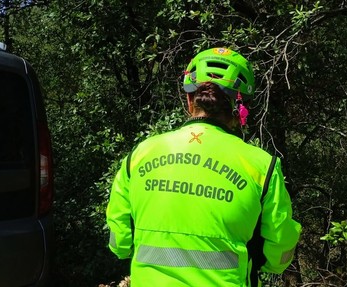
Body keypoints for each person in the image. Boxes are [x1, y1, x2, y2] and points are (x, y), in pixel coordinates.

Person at [106, 47, 301, 287]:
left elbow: (120, 243)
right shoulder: (262, 165)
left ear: (190, 99)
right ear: (240, 108)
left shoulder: (141, 154)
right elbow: (280, 249)